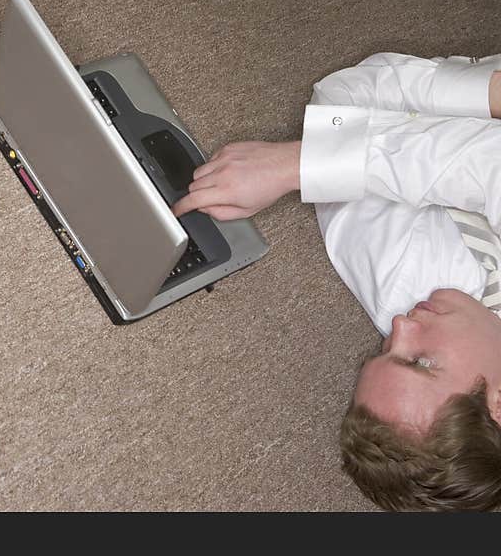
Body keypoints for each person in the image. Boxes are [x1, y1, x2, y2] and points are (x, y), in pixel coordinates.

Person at [173, 53, 501, 511]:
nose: (401, 327)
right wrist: (300, 164)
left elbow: (342, 104)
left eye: (386, 352)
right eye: (422, 362)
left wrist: (309, 162)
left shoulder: (400, 285)